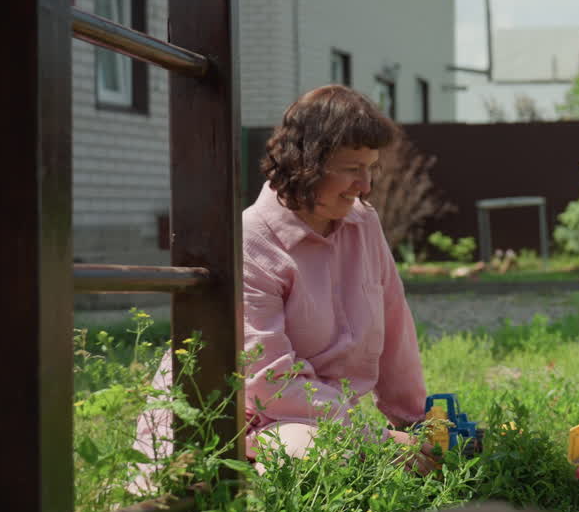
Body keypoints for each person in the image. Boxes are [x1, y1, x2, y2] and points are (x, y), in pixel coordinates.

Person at [131, 85, 437, 490]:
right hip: (227, 424)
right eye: (351, 168)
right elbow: (267, 382)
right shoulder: (249, 241)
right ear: (305, 163)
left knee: (353, 454)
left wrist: (416, 424)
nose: (364, 185)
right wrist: (378, 441)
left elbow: (395, 329)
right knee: (321, 456)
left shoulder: (364, 224)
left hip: (308, 421)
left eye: (371, 168)